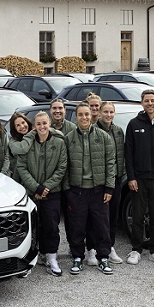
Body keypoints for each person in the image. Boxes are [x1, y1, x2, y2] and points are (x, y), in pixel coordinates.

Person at [62, 104, 117, 275]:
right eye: (80, 115)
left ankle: (104, 257)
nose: (84, 117)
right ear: (76, 117)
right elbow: (64, 166)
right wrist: (67, 191)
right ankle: (78, 257)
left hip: (98, 190)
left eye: (86, 114)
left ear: (92, 115)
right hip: (77, 191)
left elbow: (110, 163)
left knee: (102, 226)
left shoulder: (103, 137)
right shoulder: (69, 138)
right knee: (77, 226)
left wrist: (109, 187)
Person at [124, 89, 154, 266]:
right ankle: (136, 250)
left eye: (153, 100)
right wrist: (131, 177)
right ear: (142, 103)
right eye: (147, 101)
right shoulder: (133, 124)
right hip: (140, 179)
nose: (150, 103)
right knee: (137, 217)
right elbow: (128, 153)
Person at [16, 111, 69, 276]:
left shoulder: (59, 143)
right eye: (38, 124)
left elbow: (62, 168)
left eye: (44, 123)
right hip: (33, 193)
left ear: (50, 124)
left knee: (51, 226)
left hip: (52, 193)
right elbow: (22, 167)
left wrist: (46, 187)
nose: (42, 127)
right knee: (33, 226)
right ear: (34, 126)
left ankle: (51, 257)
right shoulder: (28, 144)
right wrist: (36, 187)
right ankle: (32, 256)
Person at [94, 101, 126, 264]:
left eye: (111, 112)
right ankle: (94, 248)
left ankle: (110, 246)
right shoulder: (94, 131)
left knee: (113, 216)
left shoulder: (119, 131)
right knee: (99, 217)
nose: (108, 115)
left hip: (116, 179)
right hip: (99, 181)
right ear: (99, 113)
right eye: (105, 112)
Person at [4, 112, 33, 179]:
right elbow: (22, 149)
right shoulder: (12, 142)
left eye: (23, 122)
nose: (22, 126)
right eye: (18, 125)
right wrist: (30, 135)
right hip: (20, 179)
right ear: (14, 128)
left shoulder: (36, 135)